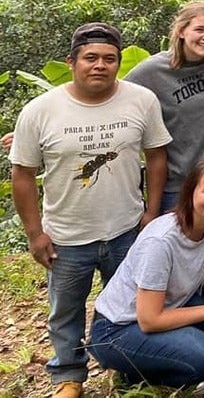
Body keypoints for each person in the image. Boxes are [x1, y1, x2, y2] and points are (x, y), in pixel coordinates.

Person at [10, 23, 171, 398]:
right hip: (67, 235)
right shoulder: (40, 111)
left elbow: (157, 156)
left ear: (118, 62)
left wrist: (151, 211)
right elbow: (23, 175)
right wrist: (35, 233)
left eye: (109, 59)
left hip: (125, 228)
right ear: (72, 62)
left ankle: (127, 366)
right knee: (65, 311)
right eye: (91, 58)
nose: (100, 65)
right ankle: (68, 375)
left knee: (128, 307)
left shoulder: (141, 100)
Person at [88, 159, 204, 388]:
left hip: (169, 308)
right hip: (118, 328)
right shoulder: (160, 241)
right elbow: (149, 320)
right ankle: (136, 376)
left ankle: (169, 354)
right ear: (190, 192)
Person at [125, 1, 204, 212]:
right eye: (199, 29)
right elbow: (118, 95)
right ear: (181, 31)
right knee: (179, 242)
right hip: (182, 181)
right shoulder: (153, 70)